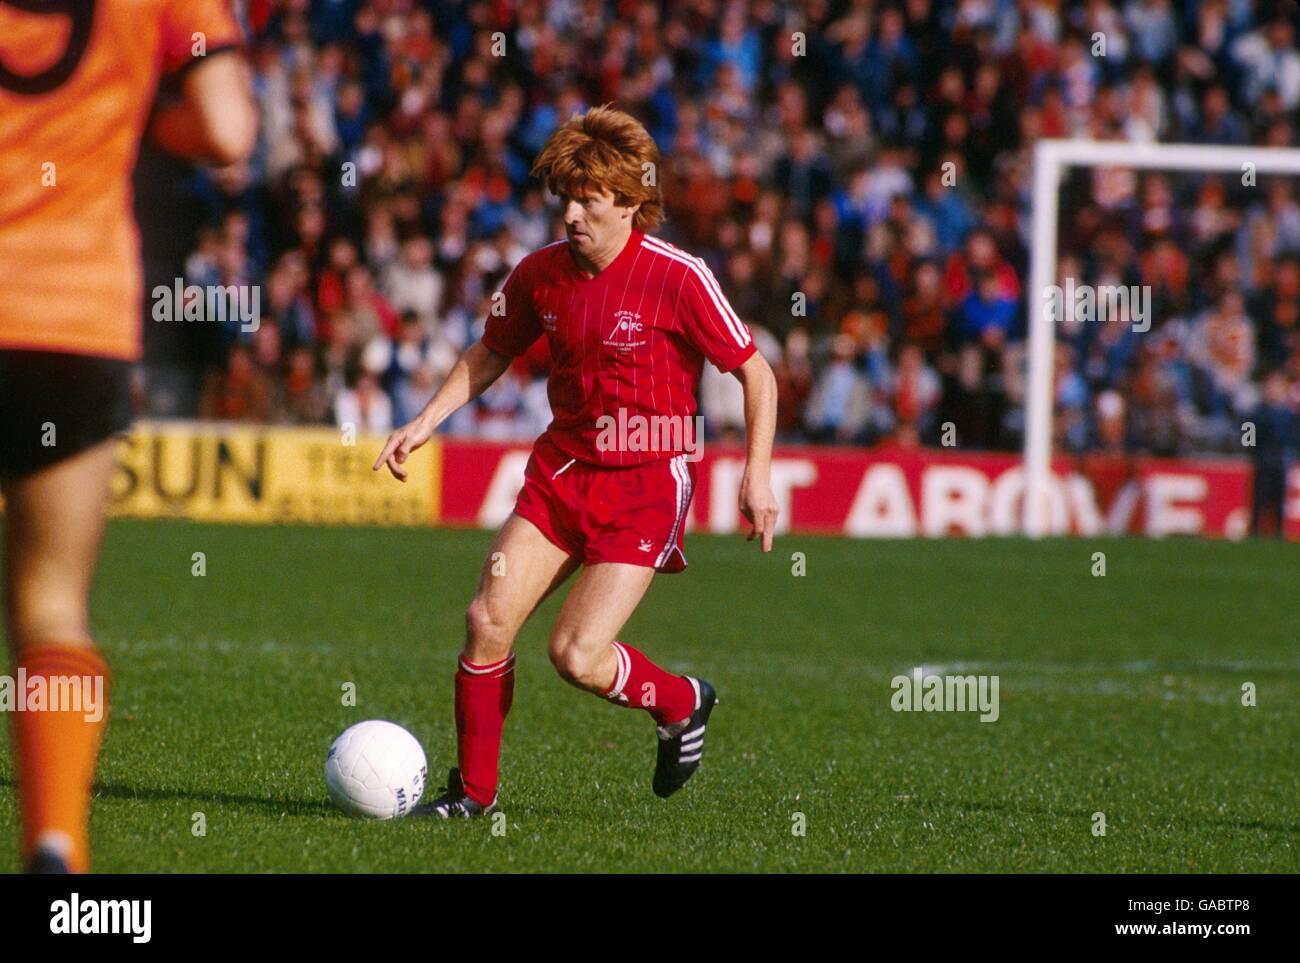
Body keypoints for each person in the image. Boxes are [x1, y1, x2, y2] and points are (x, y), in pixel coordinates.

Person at [374, 105, 779, 816]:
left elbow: (756, 372)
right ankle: (473, 794)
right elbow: (492, 349)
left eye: (588, 199)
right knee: (486, 618)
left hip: (648, 479)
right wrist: (423, 421)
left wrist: (757, 473)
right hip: (562, 472)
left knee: (577, 655)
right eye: (564, 197)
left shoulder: (678, 276)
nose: (571, 214)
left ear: (629, 203)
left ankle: (682, 700)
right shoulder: (539, 275)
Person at [0, 0, 257, 872]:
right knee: (49, 604)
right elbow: (227, 129)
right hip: (72, 318)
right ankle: (58, 845)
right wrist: (123, 108)